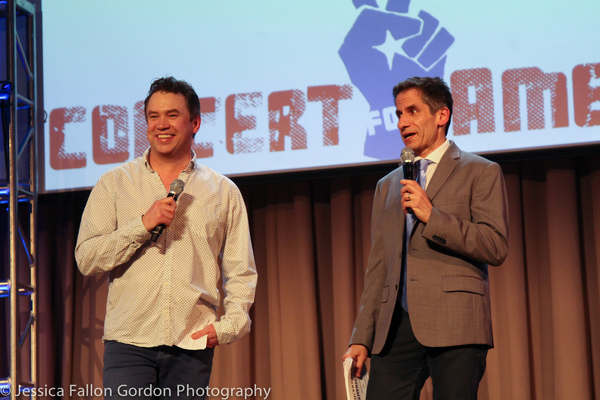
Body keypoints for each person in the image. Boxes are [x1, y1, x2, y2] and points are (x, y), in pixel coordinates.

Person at [75, 77, 257, 399]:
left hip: (191, 344)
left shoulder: (223, 192)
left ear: (195, 123)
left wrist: (229, 326)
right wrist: (142, 225)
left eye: (172, 115)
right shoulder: (115, 184)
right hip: (129, 342)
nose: (162, 125)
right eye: (153, 116)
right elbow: (87, 258)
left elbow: (241, 271)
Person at [343, 77, 508, 399]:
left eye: (412, 111)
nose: (403, 122)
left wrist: (433, 217)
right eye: (398, 114)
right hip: (395, 327)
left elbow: (495, 244)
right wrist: (361, 336)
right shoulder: (388, 185)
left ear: (441, 115)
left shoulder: (480, 171)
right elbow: (378, 266)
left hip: (456, 322)